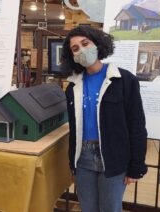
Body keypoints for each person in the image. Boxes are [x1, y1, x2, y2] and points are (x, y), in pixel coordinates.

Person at [61, 25, 148, 212]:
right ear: (72, 56)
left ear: (97, 44)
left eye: (85, 43)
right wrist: (72, 163)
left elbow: (137, 126)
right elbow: (75, 129)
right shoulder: (72, 86)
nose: (81, 50)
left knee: (110, 208)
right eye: (75, 48)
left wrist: (136, 166)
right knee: (88, 208)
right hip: (82, 158)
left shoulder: (124, 80)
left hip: (113, 156)